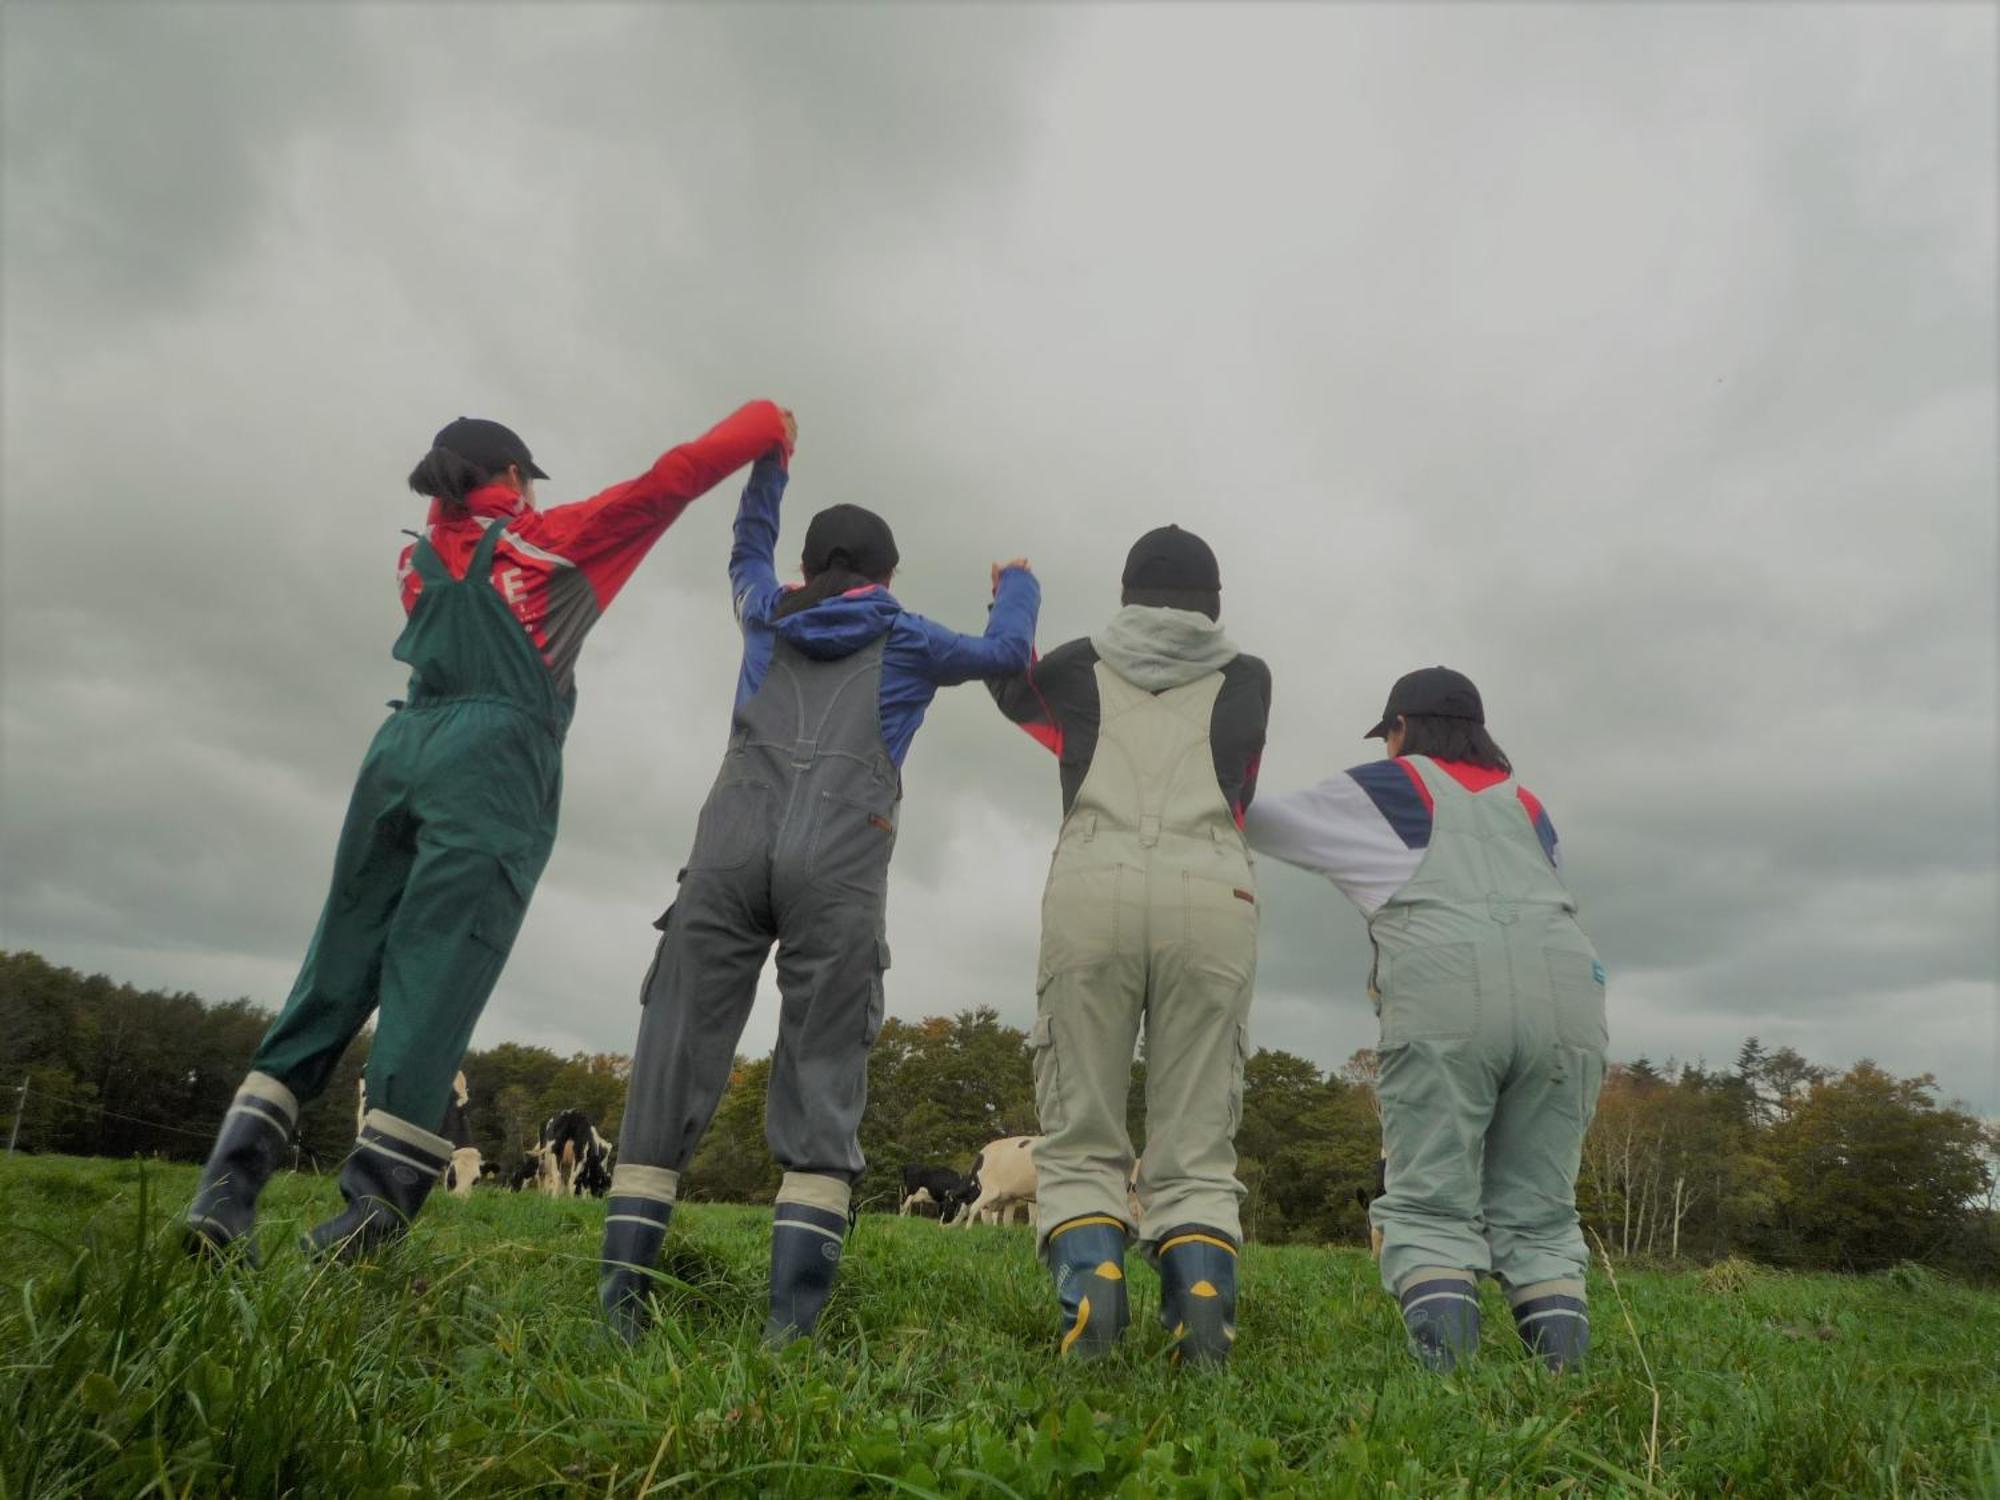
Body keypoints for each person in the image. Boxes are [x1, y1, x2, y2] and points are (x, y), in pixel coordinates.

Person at [184, 401, 794, 1263]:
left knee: (335, 967)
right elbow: (670, 481)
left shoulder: (416, 558)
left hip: (397, 753)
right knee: (439, 970)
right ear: (510, 479)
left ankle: (226, 1190)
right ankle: (371, 1214)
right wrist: (766, 424)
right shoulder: (550, 546)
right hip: (492, 762)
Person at [600, 451, 1040, 1346]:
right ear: (886, 576)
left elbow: (744, 550)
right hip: (840, 868)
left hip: (725, 855)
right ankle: (787, 1333)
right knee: (822, 1073)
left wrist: (770, 469)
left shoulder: (765, 612)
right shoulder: (909, 636)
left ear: (807, 569)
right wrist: (1018, 583)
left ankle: (621, 1313)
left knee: (671, 1061)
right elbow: (1006, 656)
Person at [1243, 666, 1607, 1373]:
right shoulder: (1528, 804)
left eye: (1388, 735)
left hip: (1449, 991)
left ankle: (1453, 1391)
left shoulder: (1393, 785)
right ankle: (1564, 1390)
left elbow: (1253, 816)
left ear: (1401, 729)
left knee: (1432, 1202)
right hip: (1571, 993)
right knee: (1540, 1209)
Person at [988, 525, 1270, 1366]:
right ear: (1214, 602)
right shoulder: (1250, 677)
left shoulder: (1076, 666)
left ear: (1124, 594)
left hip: (1093, 883)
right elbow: (1244, 785)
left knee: (1081, 1133)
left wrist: (1014, 592)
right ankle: (1201, 1319)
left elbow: (1009, 685)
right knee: (1193, 1139)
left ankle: (1093, 1310)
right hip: (1214, 889)